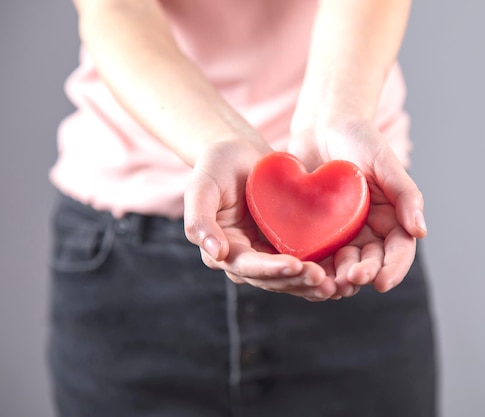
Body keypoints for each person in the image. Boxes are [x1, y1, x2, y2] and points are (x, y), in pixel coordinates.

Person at [48, 0, 437, 416]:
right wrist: (217, 141)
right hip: (124, 262)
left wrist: (335, 115)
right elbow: (117, 8)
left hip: (360, 235)